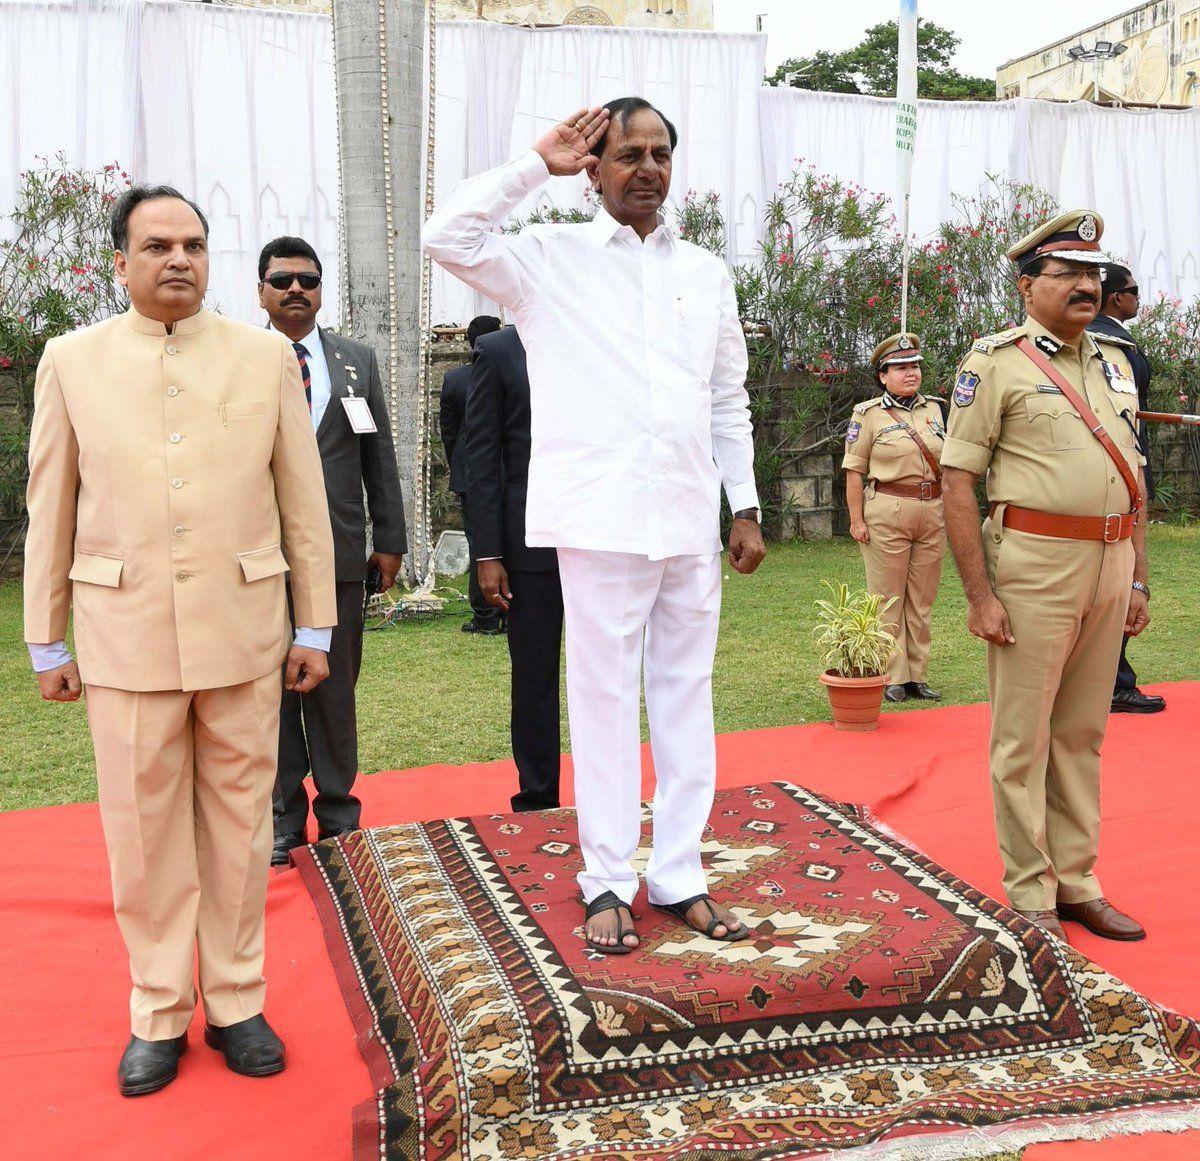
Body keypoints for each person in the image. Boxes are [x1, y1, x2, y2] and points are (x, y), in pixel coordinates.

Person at [423, 99, 765, 954]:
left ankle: (679, 870)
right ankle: (608, 874)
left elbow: (728, 396)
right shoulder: (546, 261)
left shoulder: (706, 273)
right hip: (599, 519)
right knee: (606, 702)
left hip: (687, 514)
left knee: (687, 697)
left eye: (660, 153)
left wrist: (746, 502)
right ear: (596, 169)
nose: (646, 168)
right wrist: (535, 164)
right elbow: (447, 238)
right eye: (627, 154)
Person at [23, 187, 336, 1095]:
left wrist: (313, 621)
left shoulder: (264, 355)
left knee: (242, 829)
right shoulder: (71, 361)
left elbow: (303, 504)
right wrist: (47, 640)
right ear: (119, 262)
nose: (179, 260)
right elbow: (52, 508)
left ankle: (237, 1001)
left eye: (194, 244)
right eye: (157, 245)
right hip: (123, 635)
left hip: (245, 632)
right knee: (144, 830)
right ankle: (158, 1008)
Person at [941, 209, 1149, 944]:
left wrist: (1139, 577)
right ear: (1029, 285)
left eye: (1094, 274)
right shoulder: (994, 363)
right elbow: (957, 481)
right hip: (1034, 568)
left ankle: (1077, 882)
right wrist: (978, 595)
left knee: (1082, 733)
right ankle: (1029, 893)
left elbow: (1135, 471)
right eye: (1069, 274)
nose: (1087, 286)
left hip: (1110, 561)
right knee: (1023, 739)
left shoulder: (1114, 361)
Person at [258, 236, 407, 866]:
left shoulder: (355, 362)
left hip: (343, 553)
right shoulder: (241, 359)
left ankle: (340, 814)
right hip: (261, 559)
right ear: (260, 291)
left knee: (334, 686)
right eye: (282, 279)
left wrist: (391, 538)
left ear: (322, 290)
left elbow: (379, 456)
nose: (296, 289)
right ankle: (283, 818)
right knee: (271, 693)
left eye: (308, 280)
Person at [465, 325, 564, 812]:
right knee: (534, 675)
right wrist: (488, 552)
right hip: (528, 547)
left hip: (602, 541)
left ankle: (606, 797)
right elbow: (481, 456)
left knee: (607, 678)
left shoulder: (603, 333)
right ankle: (539, 797)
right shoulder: (499, 350)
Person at [842, 332, 946, 704]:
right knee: (888, 597)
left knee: (921, 598)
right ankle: (894, 675)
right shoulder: (867, 414)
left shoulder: (936, 409)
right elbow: (854, 470)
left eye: (915, 366)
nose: (911, 373)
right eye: (901, 367)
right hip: (887, 508)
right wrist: (857, 519)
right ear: (883, 375)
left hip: (931, 511)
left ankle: (918, 675)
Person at [1087, 264, 1165, 715]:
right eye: (1134, 291)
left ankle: (1111, 679)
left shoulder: (1095, 339)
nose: (1138, 298)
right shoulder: (1113, 345)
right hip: (1120, 470)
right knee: (1118, 576)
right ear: (1116, 297)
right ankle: (1114, 682)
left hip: (1109, 471)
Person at [441, 315, 504, 635]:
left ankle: (485, 616)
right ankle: (506, 610)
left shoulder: (455, 379)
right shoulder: (517, 372)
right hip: (511, 471)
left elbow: (448, 432)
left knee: (480, 542)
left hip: (471, 471)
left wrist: (459, 465)